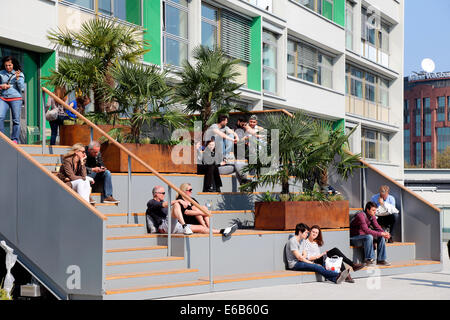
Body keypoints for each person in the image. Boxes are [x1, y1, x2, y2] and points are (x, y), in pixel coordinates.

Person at [285, 223, 350, 284]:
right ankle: (338, 274)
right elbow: (299, 257)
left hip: (301, 262)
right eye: (306, 232)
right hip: (294, 265)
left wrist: (303, 257)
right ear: (300, 232)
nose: (307, 234)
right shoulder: (293, 241)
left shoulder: (301, 241)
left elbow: (304, 253)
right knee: (316, 266)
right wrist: (312, 263)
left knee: (318, 266)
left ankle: (335, 279)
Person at [172, 182, 237, 236]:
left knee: (203, 207)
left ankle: (209, 226)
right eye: (190, 190)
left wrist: (204, 211)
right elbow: (186, 212)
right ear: (184, 191)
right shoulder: (180, 200)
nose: (191, 192)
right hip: (187, 221)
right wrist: (202, 212)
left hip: (195, 219)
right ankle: (218, 230)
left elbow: (200, 208)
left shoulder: (192, 199)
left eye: (191, 190)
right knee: (195, 208)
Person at [350, 201, 391, 266]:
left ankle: (381, 260)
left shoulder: (372, 216)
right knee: (369, 236)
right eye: (373, 210)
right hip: (354, 237)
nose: (375, 212)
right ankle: (368, 259)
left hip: (364, 236)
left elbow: (377, 227)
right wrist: (381, 233)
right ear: (367, 210)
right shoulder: (361, 215)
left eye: (376, 210)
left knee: (380, 236)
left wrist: (385, 233)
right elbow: (366, 230)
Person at [0, 56, 25, 144]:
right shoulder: (1, 73)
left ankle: (14, 139)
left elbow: (22, 88)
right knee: (0, 116)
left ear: (13, 65)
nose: (8, 67)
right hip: (3, 98)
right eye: (6, 65)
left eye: (10, 65)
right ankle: (2, 138)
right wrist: (1, 86)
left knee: (16, 120)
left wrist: (18, 79)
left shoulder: (19, 74)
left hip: (16, 99)